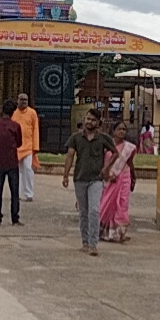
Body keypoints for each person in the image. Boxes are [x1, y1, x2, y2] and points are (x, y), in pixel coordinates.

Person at [62, 109, 115, 256]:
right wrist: (65, 175)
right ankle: (85, 242)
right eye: (88, 119)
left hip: (96, 179)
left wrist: (106, 167)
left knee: (94, 210)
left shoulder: (103, 138)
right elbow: (70, 156)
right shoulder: (76, 138)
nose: (89, 122)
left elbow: (115, 152)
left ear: (98, 123)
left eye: (93, 120)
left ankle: (93, 244)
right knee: (83, 212)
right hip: (79, 178)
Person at [99, 120, 137, 243]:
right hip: (110, 178)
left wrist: (134, 177)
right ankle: (103, 231)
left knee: (122, 204)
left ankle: (119, 233)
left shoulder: (128, 148)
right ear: (113, 131)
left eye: (124, 129)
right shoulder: (106, 145)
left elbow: (130, 163)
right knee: (107, 204)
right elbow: (102, 162)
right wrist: (108, 174)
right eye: (119, 129)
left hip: (124, 177)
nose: (122, 132)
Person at [0, 100, 23, 226]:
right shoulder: (15, 126)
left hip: (0, 161)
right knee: (14, 192)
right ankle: (15, 218)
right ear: (13, 112)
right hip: (12, 162)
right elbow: (19, 143)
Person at [12, 93, 40, 202]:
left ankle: (29, 194)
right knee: (16, 171)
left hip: (28, 146)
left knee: (28, 169)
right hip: (15, 147)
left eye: (26, 100)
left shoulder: (32, 113)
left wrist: (35, 147)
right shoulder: (13, 113)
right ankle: (16, 194)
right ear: (17, 100)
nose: (24, 102)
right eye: (22, 99)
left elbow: (35, 129)